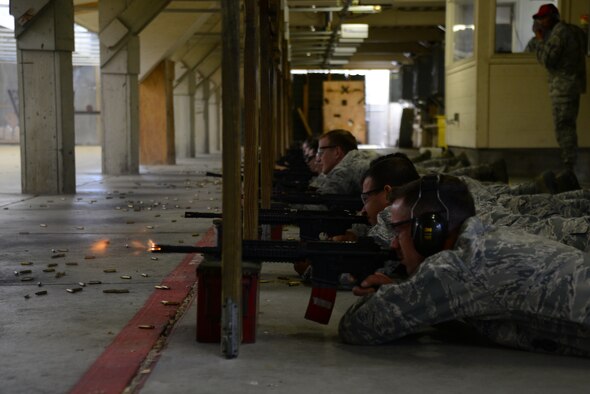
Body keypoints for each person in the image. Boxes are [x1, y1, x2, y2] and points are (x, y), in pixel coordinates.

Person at [339, 174, 590, 357]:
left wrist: (389, 295)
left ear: (429, 230)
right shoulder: (484, 241)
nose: (393, 244)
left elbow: (359, 326)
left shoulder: (461, 264)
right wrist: (403, 289)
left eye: (399, 230)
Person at [532, 3, 587, 171]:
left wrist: (540, 40)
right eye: (539, 18)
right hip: (573, 86)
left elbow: (548, 60)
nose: (540, 22)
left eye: (543, 17)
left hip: (563, 89)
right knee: (568, 125)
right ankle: (570, 164)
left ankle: (569, 167)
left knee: (563, 127)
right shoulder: (574, 31)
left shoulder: (558, 34)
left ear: (554, 17)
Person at [314, 129, 380, 195]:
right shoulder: (360, 161)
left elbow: (323, 202)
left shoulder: (344, 171)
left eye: (321, 152)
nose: (318, 159)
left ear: (337, 152)